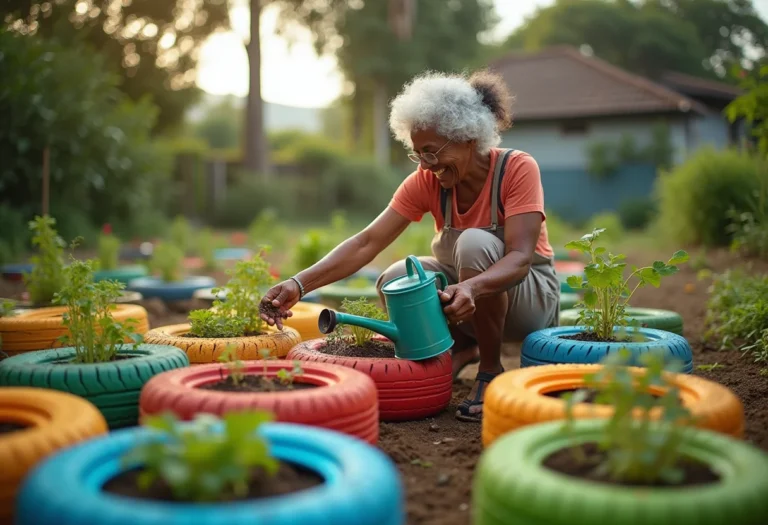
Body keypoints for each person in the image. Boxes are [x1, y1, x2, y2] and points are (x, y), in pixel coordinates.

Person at [260, 69, 559, 422]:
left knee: (475, 243)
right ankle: (455, 351)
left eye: (432, 152)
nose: (427, 166)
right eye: (418, 154)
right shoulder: (428, 180)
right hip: (466, 304)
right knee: (397, 276)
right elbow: (366, 242)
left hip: (529, 301)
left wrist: (472, 288)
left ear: (467, 138)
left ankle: (491, 369)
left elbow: (521, 257)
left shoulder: (517, 168)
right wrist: (299, 284)